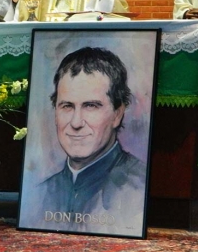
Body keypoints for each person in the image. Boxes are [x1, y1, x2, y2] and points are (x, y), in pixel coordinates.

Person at [32, 47, 147, 233]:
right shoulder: (39, 194)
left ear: (117, 114)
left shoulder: (138, 188)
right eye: (67, 106)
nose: (76, 123)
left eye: (91, 106)